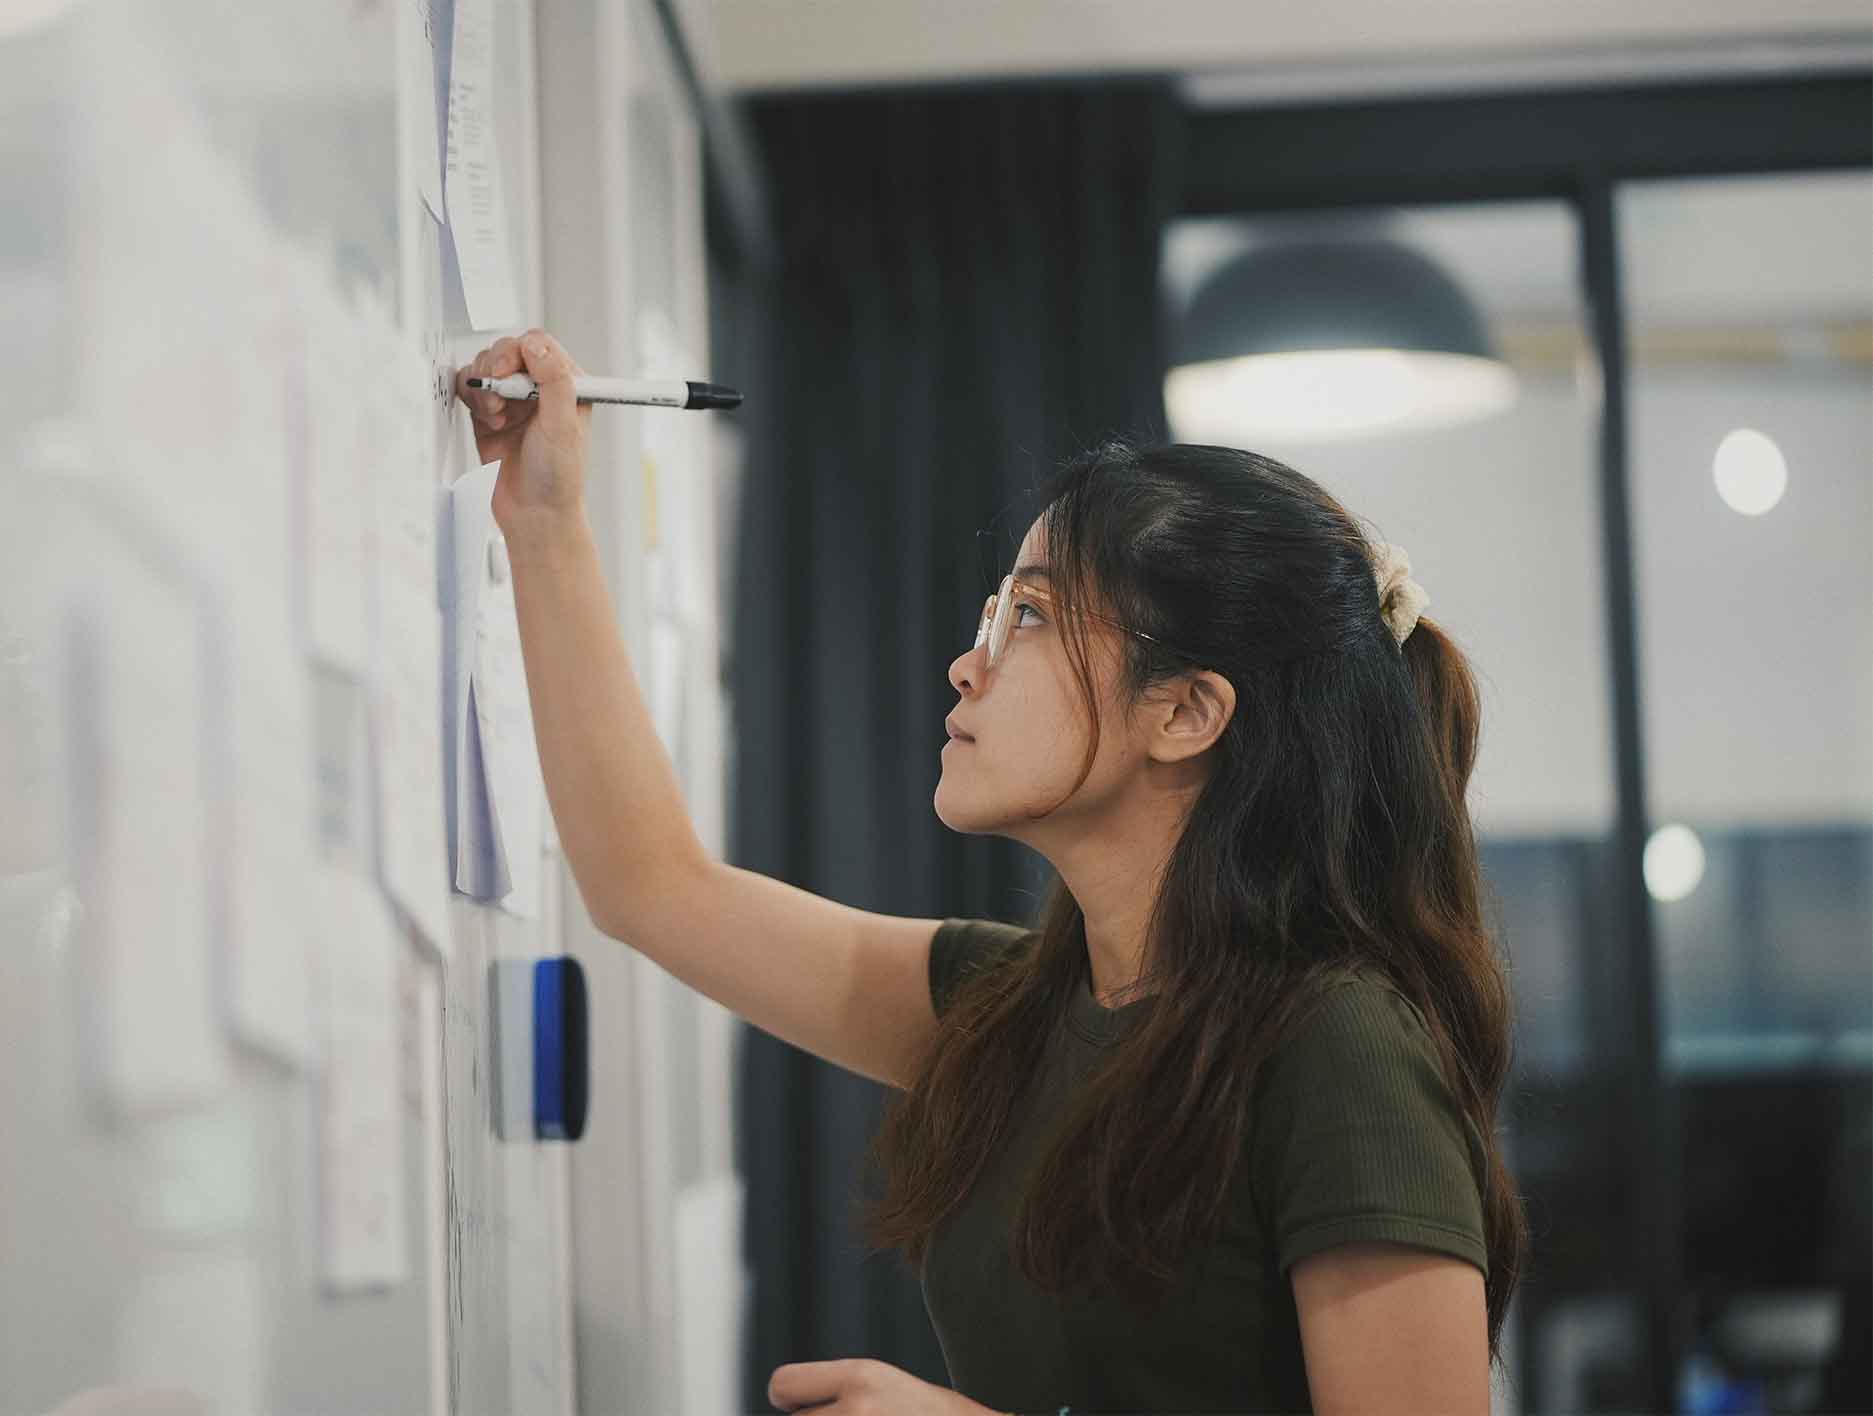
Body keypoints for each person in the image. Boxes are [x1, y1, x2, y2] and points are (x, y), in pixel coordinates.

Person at [457, 329, 1528, 1416]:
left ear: (1185, 711)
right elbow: (653, 888)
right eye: (991, 615)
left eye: (1029, 616)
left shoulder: (1341, 1043)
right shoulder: (1009, 1010)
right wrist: (542, 526)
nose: (970, 663)